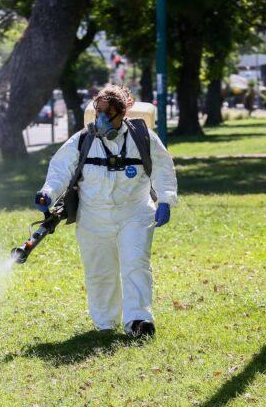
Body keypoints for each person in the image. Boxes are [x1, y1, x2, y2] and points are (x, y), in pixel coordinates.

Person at [35, 85, 179, 337]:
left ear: (122, 112)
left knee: (136, 264)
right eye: (97, 111)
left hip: (134, 212)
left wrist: (165, 199)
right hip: (93, 216)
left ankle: (138, 321)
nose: (100, 119)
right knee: (99, 271)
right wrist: (47, 192)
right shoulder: (83, 140)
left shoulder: (142, 137)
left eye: (106, 113)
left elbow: (163, 167)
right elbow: (60, 169)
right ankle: (105, 323)